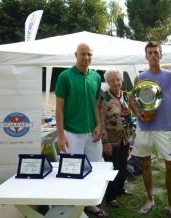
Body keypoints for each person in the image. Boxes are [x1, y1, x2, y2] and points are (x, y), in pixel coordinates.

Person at [55, 43, 108, 218]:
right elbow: (59, 109)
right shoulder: (65, 76)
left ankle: (90, 204)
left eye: (89, 54)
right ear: (75, 54)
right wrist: (61, 136)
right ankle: (73, 208)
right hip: (71, 133)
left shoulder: (96, 77)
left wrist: (99, 124)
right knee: (71, 171)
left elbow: (95, 104)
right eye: (83, 54)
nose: (86, 57)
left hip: (92, 133)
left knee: (95, 168)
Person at [129, 41, 171, 218]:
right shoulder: (140, 77)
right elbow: (132, 101)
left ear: (161, 55)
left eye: (156, 52)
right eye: (150, 53)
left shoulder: (170, 75)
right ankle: (150, 199)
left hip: (164, 128)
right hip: (144, 128)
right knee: (146, 164)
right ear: (146, 56)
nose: (153, 55)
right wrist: (139, 113)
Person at [101, 70, 133, 208]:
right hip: (112, 139)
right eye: (112, 80)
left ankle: (120, 189)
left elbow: (129, 117)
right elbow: (101, 121)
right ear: (108, 82)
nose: (116, 82)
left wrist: (130, 138)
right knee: (112, 167)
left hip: (125, 138)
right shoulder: (104, 98)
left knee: (122, 165)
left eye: (118, 79)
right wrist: (105, 141)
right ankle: (110, 196)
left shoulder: (124, 95)